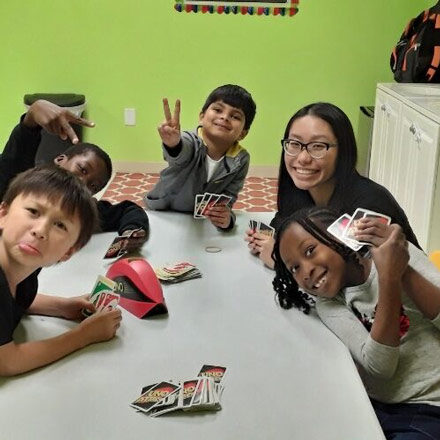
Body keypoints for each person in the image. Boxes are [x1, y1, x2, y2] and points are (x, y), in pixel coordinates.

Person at [273, 206, 440, 439]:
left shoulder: (401, 253)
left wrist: (396, 272)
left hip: (430, 405)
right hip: (374, 406)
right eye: (295, 268)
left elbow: (382, 366)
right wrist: (389, 277)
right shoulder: (328, 302)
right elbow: (378, 365)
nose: (306, 272)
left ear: (339, 237)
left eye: (310, 251)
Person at [245, 102, 419, 268]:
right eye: (295, 144)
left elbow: (352, 280)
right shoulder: (300, 192)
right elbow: (282, 224)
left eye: (318, 146)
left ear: (343, 151)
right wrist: (264, 242)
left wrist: (280, 261)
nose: (303, 158)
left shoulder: (369, 205)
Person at [0, 166, 122, 376]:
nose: (40, 231)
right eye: (33, 211)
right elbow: (7, 361)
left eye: (60, 225)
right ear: (3, 214)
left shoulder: (24, 270)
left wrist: (63, 306)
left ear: (69, 251)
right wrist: (83, 335)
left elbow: (11, 302)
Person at [0, 99, 149, 239]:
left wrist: (131, 231)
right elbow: (17, 154)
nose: (83, 182)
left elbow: (127, 210)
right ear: (60, 159)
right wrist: (32, 117)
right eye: (82, 169)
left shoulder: (79, 211)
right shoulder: (22, 184)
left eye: (93, 186)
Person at [144, 84, 256, 230]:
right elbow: (180, 153)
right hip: (164, 211)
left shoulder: (241, 159)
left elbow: (229, 196)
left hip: (200, 221)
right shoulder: (190, 140)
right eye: (218, 109)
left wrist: (226, 218)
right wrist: (173, 143)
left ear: (242, 133)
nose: (224, 117)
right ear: (202, 117)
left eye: (235, 116)